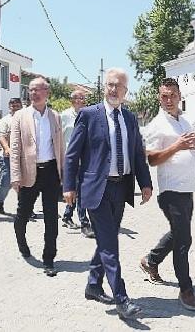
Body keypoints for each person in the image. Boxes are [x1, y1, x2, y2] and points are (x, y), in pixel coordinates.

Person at [64, 68, 152, 320]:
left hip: (121, 187)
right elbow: (72, 154)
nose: (113, 90)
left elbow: (137, 153)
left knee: (106, 239)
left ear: (126, 91)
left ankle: (93, 285)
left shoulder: (130, 118)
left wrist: (145, 184)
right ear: (105, 87)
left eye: (119, 86)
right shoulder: (89, 115)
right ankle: (122, 299)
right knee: (111, 245)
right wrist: (69, 186)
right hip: (96, 189)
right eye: (110, 85)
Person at [140, 78, 195, 311]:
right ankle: (186, 289)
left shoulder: (186, 121)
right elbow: (151, 159)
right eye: (164, 96)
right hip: (170, 191)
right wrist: (176, 146)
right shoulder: (157, 125)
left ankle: (151, 260)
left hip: (187, 189)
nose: (168, 100)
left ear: (180, 95)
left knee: (179, 233)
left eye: (172, 95)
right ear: (159, 97)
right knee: (183, 241)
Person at [10, 77, 64, 276]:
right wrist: (15, 176)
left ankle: (49, 258)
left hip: (50, 172)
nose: (33, 93)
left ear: (47, 92)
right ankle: (22, 245)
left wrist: (64, 176)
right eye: (30, 90)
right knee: (22, 215)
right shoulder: (20, 116)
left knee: (51, 218)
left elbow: (60, 148)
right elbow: (15, 148)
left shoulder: (55, 116)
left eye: (37, 90)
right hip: (28, 172)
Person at [60, 89, 95, 238]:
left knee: (81, 191)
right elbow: (58, 137)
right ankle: (84, 223)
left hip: (85, 159)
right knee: (75, 190)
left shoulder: (89, 115)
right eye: (77, 98)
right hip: (70, 159)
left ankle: (69, 216)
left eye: (83, 98)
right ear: (71, 100)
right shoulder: (64, 116)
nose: (80, 100)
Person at [0, 97, 23, 215]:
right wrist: (7, 148)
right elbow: (1, 136)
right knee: (6, 181)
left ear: (21, 106)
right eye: (13, 105)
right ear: (9, 107)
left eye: (17, 105)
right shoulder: (5, 120)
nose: (15, 107)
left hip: (23, 157)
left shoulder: (26, 119)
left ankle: (25, 207)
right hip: (7, 157)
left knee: (24, 183)